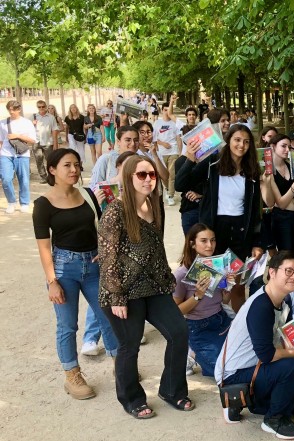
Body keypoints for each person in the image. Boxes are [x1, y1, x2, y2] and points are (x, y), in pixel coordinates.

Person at [98, 155, 191, 419]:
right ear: (128, 178)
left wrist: (167, 279)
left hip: (154, 287)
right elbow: (108, 258)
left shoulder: (154, 204)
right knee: (129, 345)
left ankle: (172, 390)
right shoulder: (114, 212)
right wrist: (117, 297)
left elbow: (155, 248)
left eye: (151, 174)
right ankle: (131, 398)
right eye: (141, 175)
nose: (149, 179)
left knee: (179, 331)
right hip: (123, 292)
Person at [33, 148, 119, 400]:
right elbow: (44, 247)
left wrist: (104, 252)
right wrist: (52, 282)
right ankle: (72, 374)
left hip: (93, 265)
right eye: (67, 165)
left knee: (109, 315)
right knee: (67, 325)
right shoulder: (43, 204)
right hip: (63, 268)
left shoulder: (88, 194)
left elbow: (101, 228)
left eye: (77, 165)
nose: (74, 170)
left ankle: (119, 364)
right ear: (52, 170)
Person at [214, 251, 294, 439]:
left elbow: (283, 338)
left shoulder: (285, 299)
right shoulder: (261, 305)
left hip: (256, 368)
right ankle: (274, 420)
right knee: (292, 366)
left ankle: (241, 402)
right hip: (234, 374)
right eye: (288, 271)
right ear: (272, 272)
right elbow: (267, 355)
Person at [176, 124, 263, 312]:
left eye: (246, 142)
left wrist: (257, 242)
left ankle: (239, 324)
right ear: (228, 140)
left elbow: (256, 210)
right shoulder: (212, 163)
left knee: (238, 285)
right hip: (215, 233)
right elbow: (180, 184)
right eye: (237, 140)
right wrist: (190, 159)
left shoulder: (252, 171)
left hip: (241, 234)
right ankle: (213, 319)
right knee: (213, 284)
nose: (241, 145)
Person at [173, 224, 234, 377]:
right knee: (223, 373)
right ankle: (192, 352)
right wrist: (198, 295)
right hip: (198, 326)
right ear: (192, 244)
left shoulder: (219, 266)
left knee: (241, 359)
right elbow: (176, 312)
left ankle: (194, 351)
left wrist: (229, 288)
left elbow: (224, 301)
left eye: (212, 240)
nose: (210, 245)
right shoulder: (181, 274)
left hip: (221, 318)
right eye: (204, 241)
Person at [263, 133, 294, 252]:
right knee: (286, 254)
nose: (287, 150)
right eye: (283, 146)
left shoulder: (292, 166)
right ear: (273, 146)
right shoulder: (269, 172)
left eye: (288, 146)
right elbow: (280, 203)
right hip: (282, 217)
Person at [2, 100, 37, 213]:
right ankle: (11, 201)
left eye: (13, 110)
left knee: (24, 179)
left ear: (19, 109)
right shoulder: (3, 123)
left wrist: (18, 136)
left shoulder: (26, 123)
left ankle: (24, 202)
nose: (11, 112)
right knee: (6, 179)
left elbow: (32, 140)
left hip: (22, 154)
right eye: (9, 110)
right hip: (5, 154)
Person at [154, 98, 183, 206]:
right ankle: (167, 189)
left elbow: (178, 138)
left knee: (172, 175)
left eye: (168, 110)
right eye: (165, 110)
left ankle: (170, 195)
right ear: (162, 111)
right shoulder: (157, 123)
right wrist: (162, 144)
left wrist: (180, 152)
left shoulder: (174, 124)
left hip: (173, 152)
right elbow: (154, 139)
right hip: (161, 153)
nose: (167, 112)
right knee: (163, 176)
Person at [32, 100, 60, 184]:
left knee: (50, 160)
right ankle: (44, 177)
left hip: (48, 142)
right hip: (36, 141)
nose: (41, 108)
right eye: (39, 107)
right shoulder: (33, 117)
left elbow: (54, 131)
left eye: (43, 106)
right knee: (38, 160)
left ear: (46, 106)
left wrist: (55, 144)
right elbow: (28, 129)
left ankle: (52, 177)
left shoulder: (51, 117)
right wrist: (32, 124)